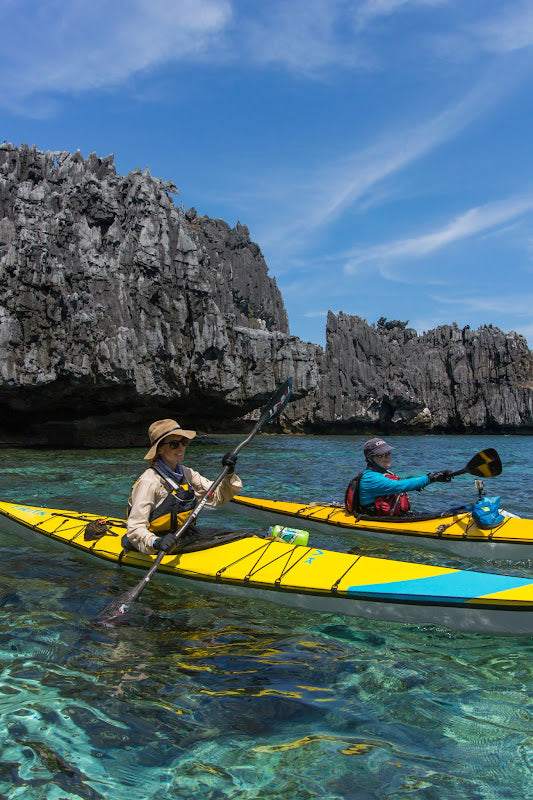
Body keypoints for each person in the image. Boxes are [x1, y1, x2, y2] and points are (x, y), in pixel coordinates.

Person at [126, 418, 242, 554]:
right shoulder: (149, 482)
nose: (181, 447)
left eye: (184, 442)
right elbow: (135, 528)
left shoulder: (187, 474)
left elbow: (217, 496)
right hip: (156, 543)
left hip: (183, 535)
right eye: (174, 444)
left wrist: (228, 474)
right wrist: (156, 542)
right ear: (160, 449)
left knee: (242, 535)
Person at [344, 437, 452, 517]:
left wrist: (432, 479)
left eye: (388, 452)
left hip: (395, 516)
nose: (387, 457)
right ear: (371, 458)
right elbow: (399, 486)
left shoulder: (384, 473)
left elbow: (404, 483)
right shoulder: (370, 479)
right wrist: (431, 478)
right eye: (382, 455)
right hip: (377, 519)